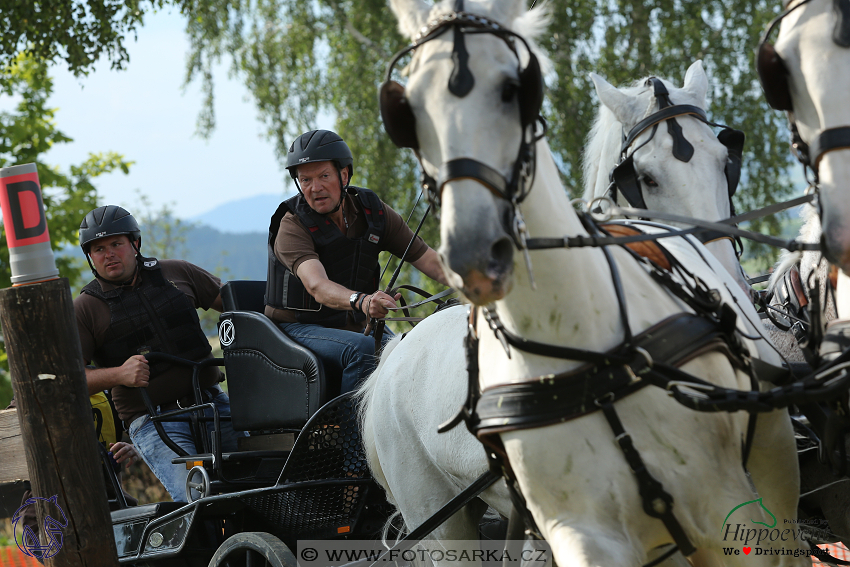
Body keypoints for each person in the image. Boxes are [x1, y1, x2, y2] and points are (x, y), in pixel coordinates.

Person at [76, 205, 245, 502]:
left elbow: (238, 306)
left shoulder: (177, 272)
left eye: (116, 244)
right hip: (154, 421)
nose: (109, 254)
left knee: (260, 482)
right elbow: (69, 381)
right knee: (197, 499)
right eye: (98, 248)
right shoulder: (86, 309)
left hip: (213, 402)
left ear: (135, 243)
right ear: (90, 256)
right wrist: (119, 374)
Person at [265, 129, 448, 395]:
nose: (315, 188)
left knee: (410, 348)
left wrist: (476, 283)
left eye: (324, 176)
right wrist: (362, 301)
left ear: (344, 174)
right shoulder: (292, 224)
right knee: (362, 350)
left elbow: (430, 261)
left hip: (348, 326)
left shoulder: (372, 212)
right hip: (295, 328)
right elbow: (317, 285)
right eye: (305, 180)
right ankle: (351, 435)